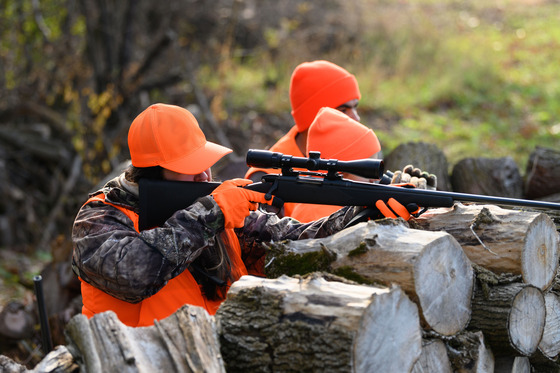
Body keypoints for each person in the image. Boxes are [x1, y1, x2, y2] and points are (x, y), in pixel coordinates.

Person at [71, 103, 375, 327]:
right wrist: (212, 212)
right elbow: (138, 273)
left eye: (205, 162)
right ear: (154, 172)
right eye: (192, 166)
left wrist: (365, 213)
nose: (205, 175)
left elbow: (298, 241)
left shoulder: (209, 206)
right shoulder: (98, 220)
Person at [245, 60, 369, 182]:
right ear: (315, 117)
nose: (356, 118)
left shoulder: (354, 163)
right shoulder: (266, 176)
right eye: (343, 110)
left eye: (355, 107)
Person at [289, 107, 382, 223]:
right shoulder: (315, 213)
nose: (375, 179)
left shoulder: (345, 203)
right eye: (368, 170)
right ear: (341, 171)